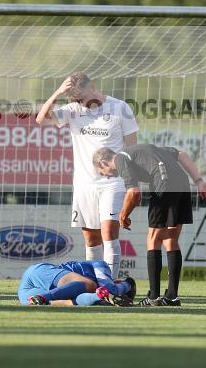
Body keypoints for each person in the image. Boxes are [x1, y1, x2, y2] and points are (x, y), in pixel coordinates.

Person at [35, 72, 138, 278]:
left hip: (113, 183)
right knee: (91, 240)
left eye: (81, 97)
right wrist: (57, 92)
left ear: (92, 87)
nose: (80, 102)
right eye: (75, 99)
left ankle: (110, 285)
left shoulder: (120, 108)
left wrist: (131, 182)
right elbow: (41, 120)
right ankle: (96, 283)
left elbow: (132, 148)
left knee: (109, 232)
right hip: (84, 184)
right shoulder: (73, 110)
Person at [93, 144, 206, 306]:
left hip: (163, 184)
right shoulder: (146, 149)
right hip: (183, 183)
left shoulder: (120, 158)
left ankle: (154, 296)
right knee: (170, 240)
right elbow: (182, 154)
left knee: (153, 240)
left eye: (103, 174)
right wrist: (199, 181)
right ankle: (171, 297)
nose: (107, 176)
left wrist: (123, 215)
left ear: (102, 163)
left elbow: (134, 193)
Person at [18, 260, 136, 307]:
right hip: (37, 277)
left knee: (77, 297)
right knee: (87, 288)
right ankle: (100, 295)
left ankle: (127, 284)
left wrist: (102, 295)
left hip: (28, 293)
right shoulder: (101, 267)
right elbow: (112, 289)